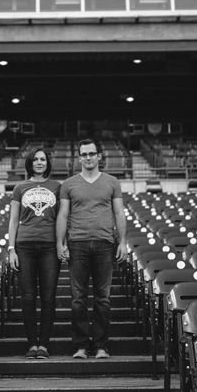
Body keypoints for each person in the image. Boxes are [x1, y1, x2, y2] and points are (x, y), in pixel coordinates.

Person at [56, 138, 127, 359]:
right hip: (77, 244)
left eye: (91, 154)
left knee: (102, 298)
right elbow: (63, 215)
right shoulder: (69, 184)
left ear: (99, 156)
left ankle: (101, 346)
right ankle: (80, 346)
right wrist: (60, 242)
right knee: (78, 298)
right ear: (79, 158)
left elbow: (119, 213)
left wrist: (122, 241)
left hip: (105, 244)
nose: (88, 157)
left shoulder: (112, 182)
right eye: (84, 154)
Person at [7, 146, 61, 359]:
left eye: (43, 159)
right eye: (36, 159)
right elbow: (13, 220)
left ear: (47, 163)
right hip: (25, 246)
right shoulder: (20, 187)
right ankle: (32, 345)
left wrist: (61, 243)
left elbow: (62, 218)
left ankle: (44, 345)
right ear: (30, 163)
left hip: (49, 246)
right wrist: (11, 249)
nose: (40, 162)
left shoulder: (57, 187)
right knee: (28, 297)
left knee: (48, 297)